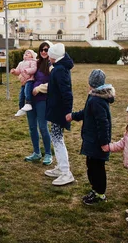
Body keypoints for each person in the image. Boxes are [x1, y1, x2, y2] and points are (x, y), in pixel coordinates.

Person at [66, 69, 115, 205]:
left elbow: (103, 123)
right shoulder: (93, 97)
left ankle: (100, 193)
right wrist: (73, 116)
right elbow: (86, 112)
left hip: (97, 141)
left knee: (97, 167)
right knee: (91, 165)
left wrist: (104, 143)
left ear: (91, 83)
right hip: (91, 139)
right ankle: (95, 189)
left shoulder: (96, 100)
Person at [43, 43, 75, 186]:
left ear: (54, 57)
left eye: (50, 55)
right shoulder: (59, 68)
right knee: (56, 138)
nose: (48, 57)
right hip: (57, 110)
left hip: (59, 111)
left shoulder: (60, 70)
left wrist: (68, 112)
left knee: (57, 140)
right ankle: (60, 167)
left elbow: (66, 92)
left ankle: (65, 172)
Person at [24, 41, 53, 164]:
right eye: (42, 49)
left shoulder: (52, 66)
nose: (43, 52)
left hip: (42, 99)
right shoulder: (36, 63)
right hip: (31, 100)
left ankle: (48, 153)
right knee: (32, 127)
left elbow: (53, 84)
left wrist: (39, 88)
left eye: (46, 50)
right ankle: (36, 152)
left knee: (42, 126)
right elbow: (28, 76)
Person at [10, 49, 38, 116]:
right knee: (21, 95)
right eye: (25, 53)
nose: (26, 54)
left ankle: (28, 103)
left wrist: (27, 71)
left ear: (32, 56)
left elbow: (34, 69)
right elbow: (18, 71)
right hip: (23, 82)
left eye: (28, 53)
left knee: (27, 92)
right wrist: (14, 71)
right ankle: (21, 108)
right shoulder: (21, 63)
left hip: (30, 80)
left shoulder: (33, 61)